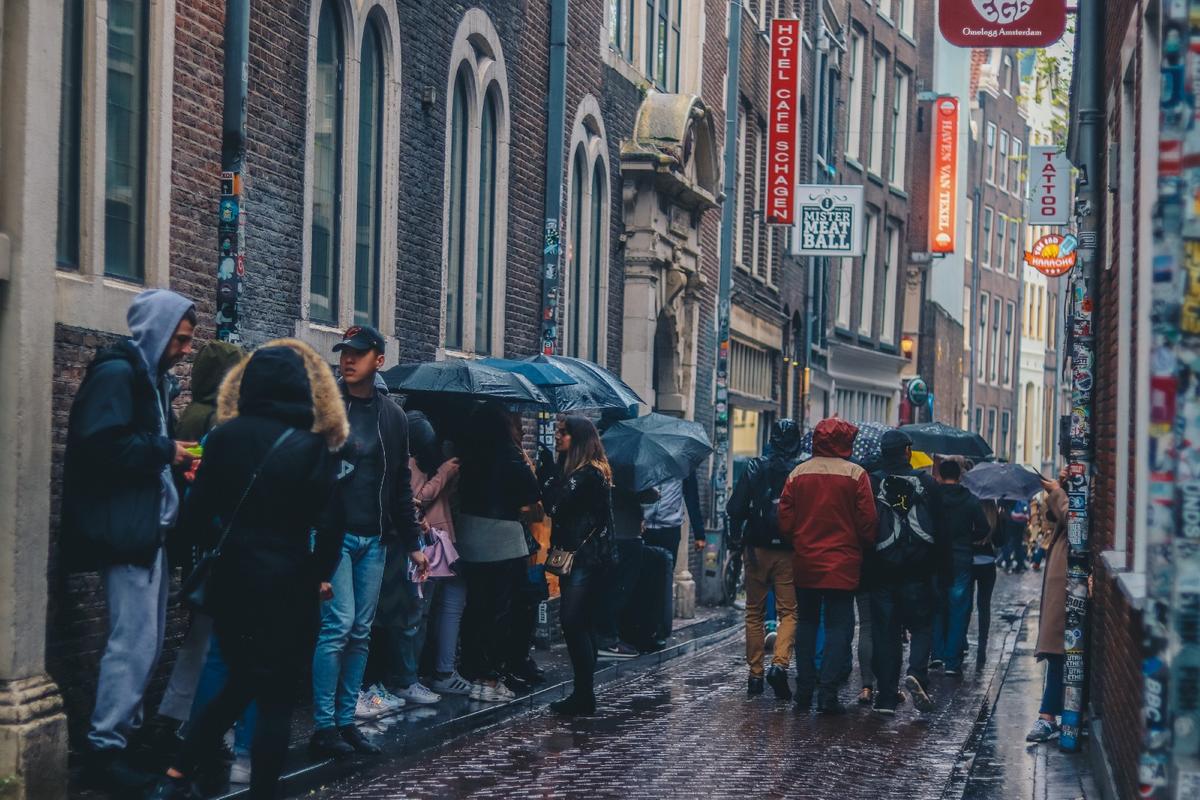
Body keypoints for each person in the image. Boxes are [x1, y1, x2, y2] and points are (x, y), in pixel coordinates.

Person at [146, 339, 349, 799]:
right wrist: (317, 572)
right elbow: (333, 524)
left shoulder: (226, 437)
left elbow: (196, 517)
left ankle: (178, 773)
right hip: (290, 586)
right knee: (274, 698)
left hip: (235, 582)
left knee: (240, 680)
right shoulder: (312, 446)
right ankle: (257, 790)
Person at [62, 289, 198, 792]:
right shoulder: (119, 375)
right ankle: (105, 748)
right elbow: (101, 445)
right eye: (181, 340)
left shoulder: (152, 380)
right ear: (157, 332)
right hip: (129, 531)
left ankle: (124, 738)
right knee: (132, 642)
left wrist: (173, 458)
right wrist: (168, 451)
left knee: (148, 640)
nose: (186, 349)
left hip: (148, 530)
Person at [310, 325, 426, 758]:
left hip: (375, 540)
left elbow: (398, 483)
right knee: (337, 627)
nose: (348, 359)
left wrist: (413, 543)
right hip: (333, 537)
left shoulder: (392, 417)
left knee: (360, 631)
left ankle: (345, 721)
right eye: (344, 352)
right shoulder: (325, 405)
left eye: (359, 353)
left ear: (379, 360)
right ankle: (323, 727)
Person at [778, 418, 877, 714]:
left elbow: (784, 520)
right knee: (839, 627)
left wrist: (800, 539)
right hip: (843, 565)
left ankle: (805, 690)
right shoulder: (856, 474)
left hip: (806, 562)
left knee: (807, 624)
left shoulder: (798, 473)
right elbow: (868, 524)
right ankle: (828, 692)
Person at [373, 410, 462, 702]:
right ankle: (403, 679)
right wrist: (443, 474)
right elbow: (415, 500)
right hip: (416, 546)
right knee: (412, 613)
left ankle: (408, 676)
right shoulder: (408, 463)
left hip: (432, 542)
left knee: (420, 615)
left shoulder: (420, 460)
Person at [455, 403, 541, 702]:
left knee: (475, 607)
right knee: (500, 611)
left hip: (469, 536)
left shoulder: (467, 455)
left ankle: (472, 672)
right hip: (502, 539)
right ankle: (489, 678)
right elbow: (533, 499)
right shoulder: (510, 455)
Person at [541, 415, 618, 715]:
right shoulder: (581, 472)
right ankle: (583, 693)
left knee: (573, 622)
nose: (558, 437)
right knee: (581, 624)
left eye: (564, 433)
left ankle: (584, 694)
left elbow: (554, 504)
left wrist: (546, 470)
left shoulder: (587, 475)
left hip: (585, 559)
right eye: (558, 431)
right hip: (583, 558)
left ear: (580, 439)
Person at [865, 430, 945, 716]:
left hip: (882, 570)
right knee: (922, 625)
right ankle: (917, 675)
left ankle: (886, 697)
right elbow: (940, 527)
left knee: (885, 632)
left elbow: (864, 527)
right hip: (918, 569)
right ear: (907, 452)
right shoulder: (926, 483)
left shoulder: (872, 483)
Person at [727, 419, 803, 700]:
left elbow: (735, 507)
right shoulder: (800, 471)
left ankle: (755, 674)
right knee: (789, 612)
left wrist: (736, 539)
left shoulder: (754, 466)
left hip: (757, 547)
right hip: (788, 548)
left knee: (754, 612)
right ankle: (780, 664)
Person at [936, 460, 993, 675]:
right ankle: (952, 661)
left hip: (936, 557)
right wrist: (968, 540)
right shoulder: (969, 500)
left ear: (940, 476)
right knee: (958, 608)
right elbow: (984, 528)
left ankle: (937, 654)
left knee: (937, 606)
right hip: (960, 557)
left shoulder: (933, 497)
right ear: (959, 476)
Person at [1027, 475, 1070, 743]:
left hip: (1068, 576)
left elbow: (1077, 522)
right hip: (1062, 573)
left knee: (1059, 650)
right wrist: (1060, 490)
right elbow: (1054, 519)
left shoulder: (1092, 486)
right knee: (1059, 651)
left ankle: (1048, 717)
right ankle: (1050, 715)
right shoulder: (1075, 486)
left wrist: (1058, 492)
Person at [642, 470, 706, 571]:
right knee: (644, 574)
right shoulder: (647, 459)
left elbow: (692, 498)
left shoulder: (683, 462)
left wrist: (699, 535)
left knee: (666, 574)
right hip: (644, 528)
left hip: (670, 530)